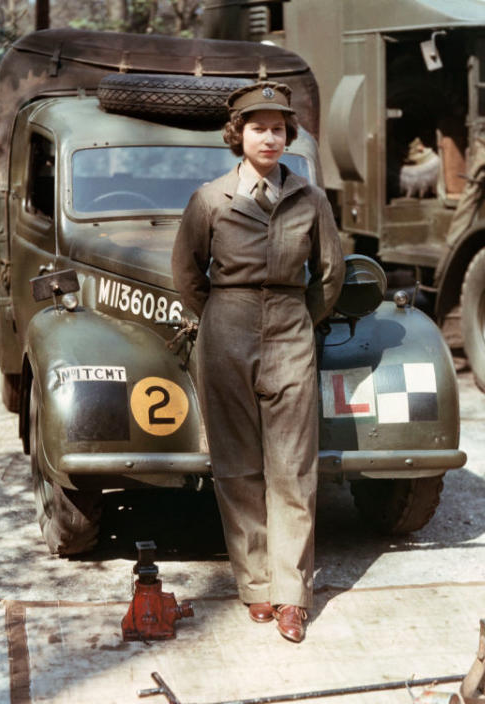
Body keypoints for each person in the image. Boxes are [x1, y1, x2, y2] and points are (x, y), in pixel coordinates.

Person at [171, 82, 344, 643]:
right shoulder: (209, 199)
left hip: (292, 329)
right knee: (238, 467)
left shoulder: (310, 199)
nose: (269, 137)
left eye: (278, 128)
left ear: (289, 135)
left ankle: (292, 595)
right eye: (257, 128)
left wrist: (299, 319)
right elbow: (187, 276)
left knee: (293, 467)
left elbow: (331, 273)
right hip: (226, 330)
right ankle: (257, 586)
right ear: (237, 135)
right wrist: (223, 317)